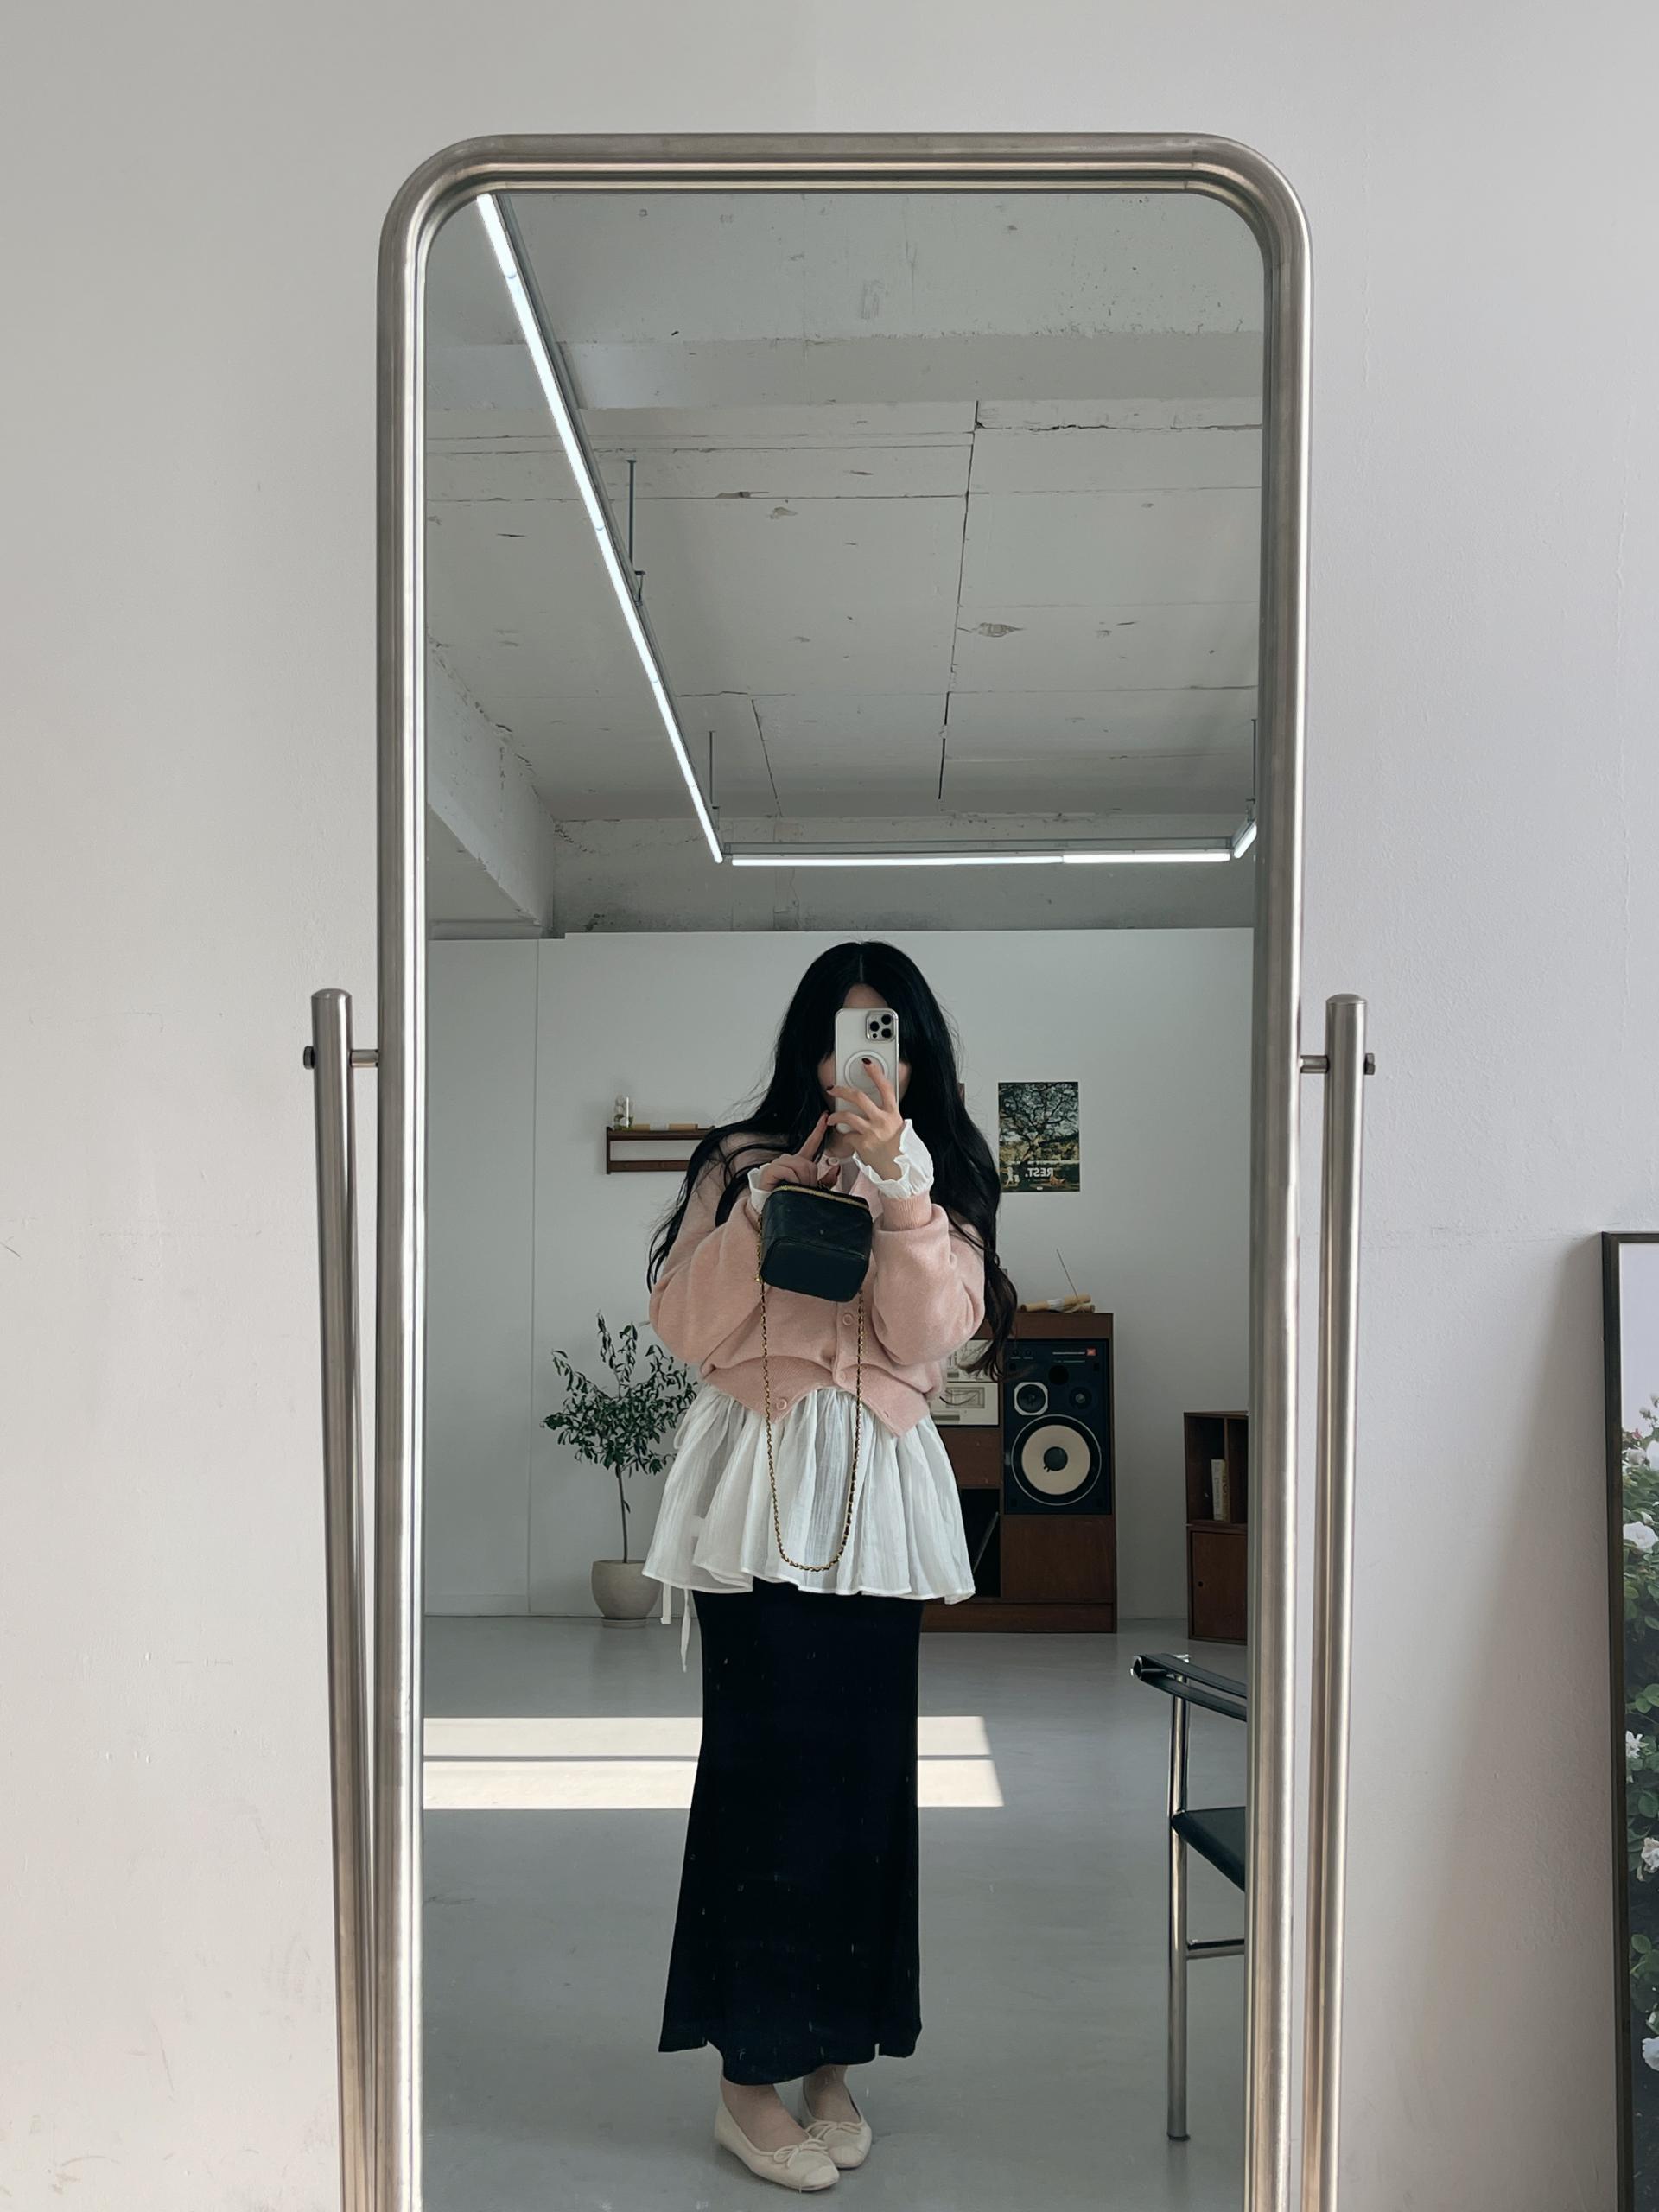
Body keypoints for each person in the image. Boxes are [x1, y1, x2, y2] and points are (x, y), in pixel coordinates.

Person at [644, 940, 1015, 2190]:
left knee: (864, 1788)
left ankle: (832, 2060)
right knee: (762, 1781)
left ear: (914, 1056)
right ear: (808, 1050)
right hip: (757, 1488)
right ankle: (747, 2079)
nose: (857, 1063)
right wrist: (764, 1207)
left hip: (880, 1499)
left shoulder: (946, 1168)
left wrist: (901, 1189)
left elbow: (925, 1336)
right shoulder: (740, 1161)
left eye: (882, 1038)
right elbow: (685, 1328)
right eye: (839, 1037)